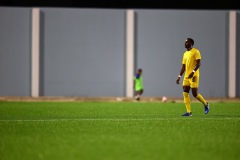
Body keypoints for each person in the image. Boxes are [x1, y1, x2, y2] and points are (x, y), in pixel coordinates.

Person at [176, 38, 210, 116]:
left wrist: (193, 72)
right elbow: (183, 66)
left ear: (191, 43)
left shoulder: (196, 51)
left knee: (194, 94)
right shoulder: (185, 54)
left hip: (194, 75)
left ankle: (206, 104)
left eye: (187, 42)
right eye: (185, 42)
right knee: (185, 93)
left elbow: (198, 63)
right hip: (186, 76)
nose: (185, 43)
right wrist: (179, 76)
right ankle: (189, 112)